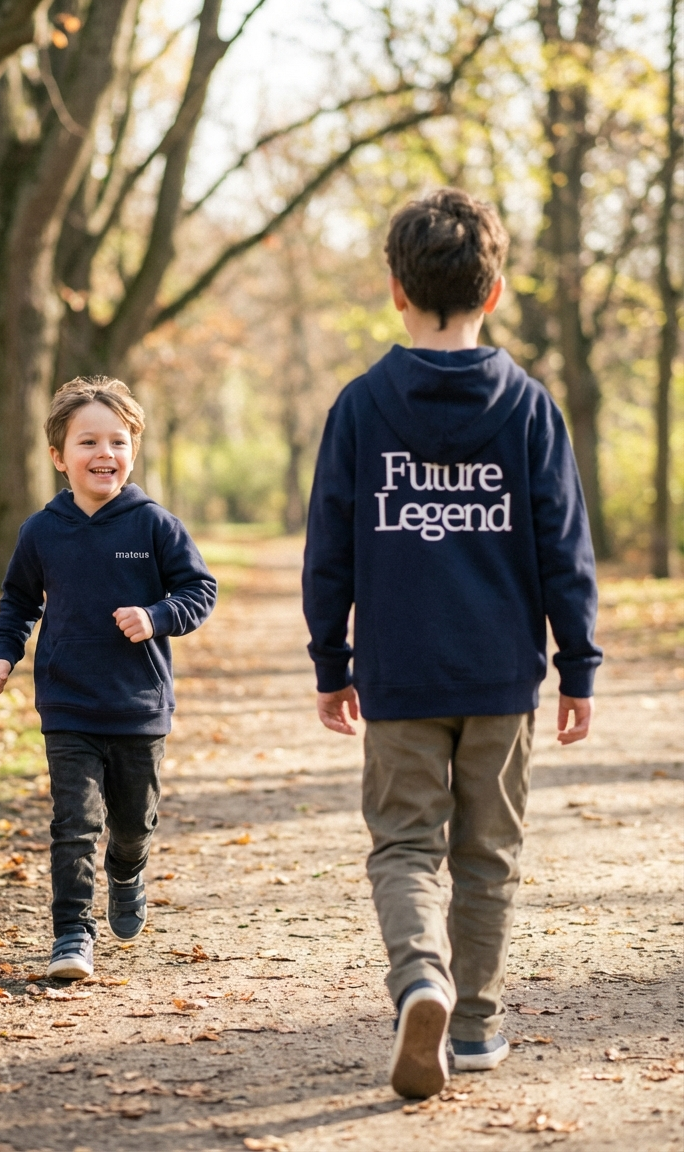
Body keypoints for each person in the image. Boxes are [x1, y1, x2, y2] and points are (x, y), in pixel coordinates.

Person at [302, 188, 602, 1099]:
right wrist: (577, 664)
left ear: (397, 289)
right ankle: (471, 1029)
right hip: (501, 676)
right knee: (488, 853)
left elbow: (331, 544)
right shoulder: (528, 408)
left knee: (402, 846)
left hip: (400, 672)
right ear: (497, 290)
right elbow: (564, 542)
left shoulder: (360, 406)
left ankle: (419, 979)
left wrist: (331, 661)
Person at [0, 377, 217, 980]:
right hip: (68, 703)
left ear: (132, 451)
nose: (104, 454)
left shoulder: (153, 526)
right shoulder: (41, 531)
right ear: (60, 456)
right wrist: (3, 651)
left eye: (118, 441)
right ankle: (71, 936)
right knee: (74, 822)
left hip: (138, 703)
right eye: (88, 441)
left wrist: (157, 616)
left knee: (134, 821)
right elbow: (18, 602)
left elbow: (199, 590)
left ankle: (128, 869)